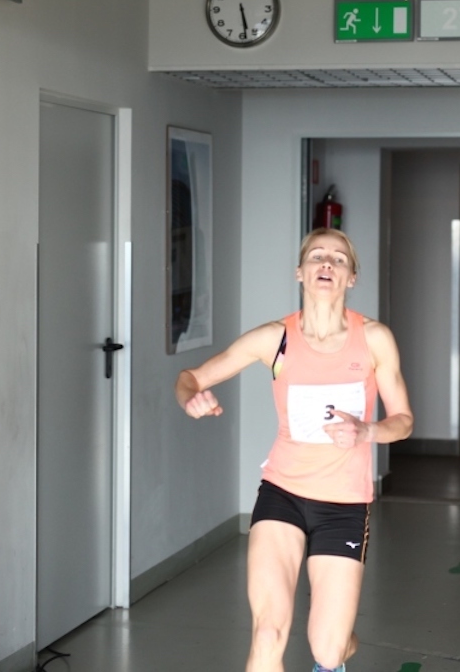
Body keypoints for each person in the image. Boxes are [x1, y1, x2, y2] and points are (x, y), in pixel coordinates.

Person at [175, 227, 413, 672]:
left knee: (328, 650)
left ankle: (339, 647)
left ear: (351, 277)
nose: (327, 264)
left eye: (338, 258)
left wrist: (366, 431)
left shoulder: (373, 339)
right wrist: (190, 398)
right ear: (300, 272)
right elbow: (191, 378)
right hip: (282, 494)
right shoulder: (276, 340)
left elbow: (403, 421)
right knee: (267, 632)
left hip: (343, 504)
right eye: (317, 256)